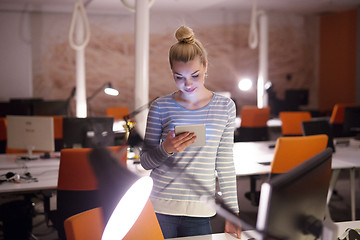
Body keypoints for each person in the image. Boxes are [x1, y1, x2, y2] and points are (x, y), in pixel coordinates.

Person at [140, 25, 241, 239]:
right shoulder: (160, 106)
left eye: (195, 75)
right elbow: (145, 162)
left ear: (205, 66)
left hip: (201, 208)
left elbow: (224, 163)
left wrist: (233, 212)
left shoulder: (225, 107)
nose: (188, 84)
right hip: (160, 205)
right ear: (172, 73)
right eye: (179, 77)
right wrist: (165, 149)